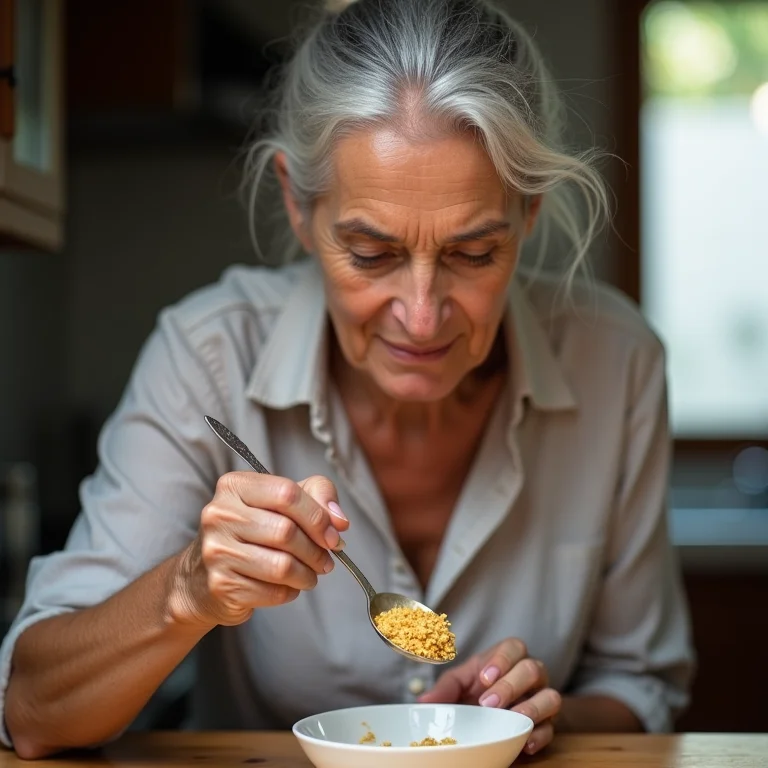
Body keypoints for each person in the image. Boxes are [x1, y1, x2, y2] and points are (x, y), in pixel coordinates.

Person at [0, 0, 694, 759]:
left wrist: (533, 717)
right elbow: (31, 712)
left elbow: (640, 686)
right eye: (371, 253)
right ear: (299, 202)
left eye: (472, 254)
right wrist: (186, 592)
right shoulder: (207, 356)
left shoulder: (617, 363)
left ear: (527, 213)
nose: (422, 319)